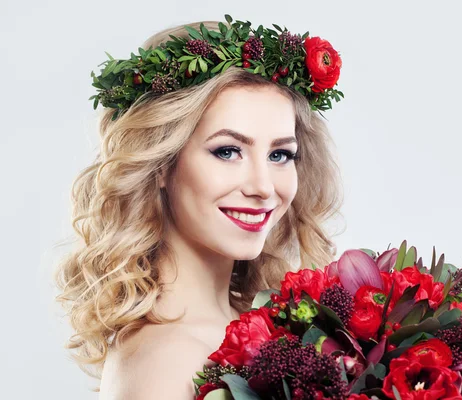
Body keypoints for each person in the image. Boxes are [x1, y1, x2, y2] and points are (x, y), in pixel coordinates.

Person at [54, 16, 344, 399]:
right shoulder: (163, 360)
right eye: (228, 151)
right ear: (161, 164)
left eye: (280, 154)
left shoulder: (257, 327)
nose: (262, 186)